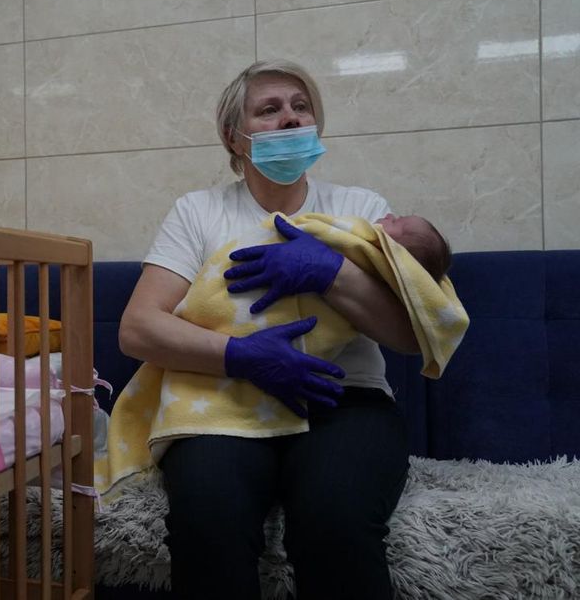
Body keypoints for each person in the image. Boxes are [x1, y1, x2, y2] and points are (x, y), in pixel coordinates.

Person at [118, 59, 424, 599]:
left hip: (342, 398)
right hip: (225, 400)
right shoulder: (197, 212)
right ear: (233, 138)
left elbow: (408, 333)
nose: (290, 118)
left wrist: (330, 271)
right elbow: (138, 329)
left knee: (336, 518)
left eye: (300, 107)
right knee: (207, 520)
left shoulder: (361, 210)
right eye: (270, 109)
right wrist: (244, 357)